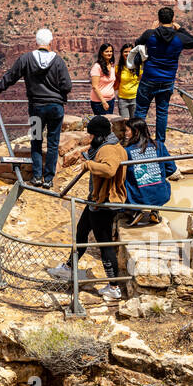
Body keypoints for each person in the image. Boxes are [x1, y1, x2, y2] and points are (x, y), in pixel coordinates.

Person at [47, 115, 127, 301]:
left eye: (91, 135)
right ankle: (69, 267)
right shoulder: (110, 143)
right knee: (82, 231)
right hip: (96, 201)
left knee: (104, 243)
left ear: (98, 135)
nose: (90, 138)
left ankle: (113, 287)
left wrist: (89, 165)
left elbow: (109, 170)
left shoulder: (108, 150)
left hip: (104, 202)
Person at [0, 27, 72, 188]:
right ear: (50, 42)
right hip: (56, 108)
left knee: (36, 140)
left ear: (36, 42)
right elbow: (67, 85)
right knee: (53, 143)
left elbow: (10, 77)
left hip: (36, 108)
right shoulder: (58, 61)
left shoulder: (26, 59)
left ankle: (36, 176)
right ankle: (48, 179)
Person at [133, 6, 193, 142]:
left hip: (149, 78)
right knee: (162, 112)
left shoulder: (150, 34)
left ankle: (138, 141)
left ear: (159, 19)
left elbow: (137, 43)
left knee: (141, 111)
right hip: (167, 80)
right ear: (173, 18)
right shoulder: (179, 37)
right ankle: (160, 143)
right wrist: (180, 29)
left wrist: (152, 29)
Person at [123, 118, 176, 227]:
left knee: (126, 180)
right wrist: (159, 176)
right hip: (160, 194)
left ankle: (136, 211)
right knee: (159, 183)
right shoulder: (159, 145)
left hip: (137, 196)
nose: (125, 133)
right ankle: (155, 211)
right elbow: (172, 168)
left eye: (127, 130)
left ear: (135, 131)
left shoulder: (127, 151)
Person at [89, 42, 117, 115]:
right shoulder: (97, 67)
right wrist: (103, 101)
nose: (109, 53)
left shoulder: (112, 65)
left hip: (111, 99)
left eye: (111, 51)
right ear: (101, 53)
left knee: (109, 123)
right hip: (99, 102)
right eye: (106, 51)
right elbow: (95, 86)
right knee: (102, 124)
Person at [115, 42, 141, 119]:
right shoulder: (118, 68)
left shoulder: (138, 67)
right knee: (125, 123)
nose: (128, 53)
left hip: (135, 98)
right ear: (122, 53)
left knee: (134, 123)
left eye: (130, 52)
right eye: (125, 51)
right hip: (123, 99)